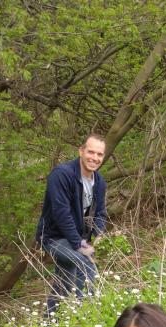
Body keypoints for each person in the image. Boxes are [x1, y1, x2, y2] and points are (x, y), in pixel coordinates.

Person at [35, 134, 108, 317]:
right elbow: (61, 213)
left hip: (75, 239)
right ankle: (89, 318)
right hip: (53, 238)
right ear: (81, 151)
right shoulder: (62, 175)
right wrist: (79, 245)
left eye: (99, 154)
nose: (95, 158)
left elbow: (100, 213)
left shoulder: (99, 182)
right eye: (91, 152)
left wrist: (98, 234)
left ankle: (48, 326)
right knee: (86, 265)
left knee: (64, 284)